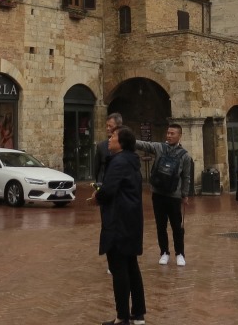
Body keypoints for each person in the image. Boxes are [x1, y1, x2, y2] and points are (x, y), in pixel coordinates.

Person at [95, 125, 146, 325]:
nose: (109, 138)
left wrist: (97, 196)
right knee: (131, 266)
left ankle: (122, 316)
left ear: (122, 142)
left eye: (113, 136)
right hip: (131, 221)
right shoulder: (131, 161)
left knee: (119, 270)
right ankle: (138, 314)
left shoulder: (118, 162)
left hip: (119, 222)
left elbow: (108, 191)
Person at [136, 123, 193, 267]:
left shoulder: (185, 156)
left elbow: (186, 176)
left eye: (172, 133)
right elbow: (144, 145)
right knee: (160, 225)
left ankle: (180, 253)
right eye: (168, 133)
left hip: (174, 195)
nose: (169, 136)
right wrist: (127, 138)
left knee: (176, 226)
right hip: (158, 193)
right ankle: (164, 252)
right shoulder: (160, 147)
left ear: (179, 135)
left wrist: (185, 195)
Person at [92, 112, 123, 186]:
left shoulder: (125, 145)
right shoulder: (101, 146)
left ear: (118, 127)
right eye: (107, 126)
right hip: (103, 184)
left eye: (110, 126)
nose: (108, 128)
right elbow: (97, 168)